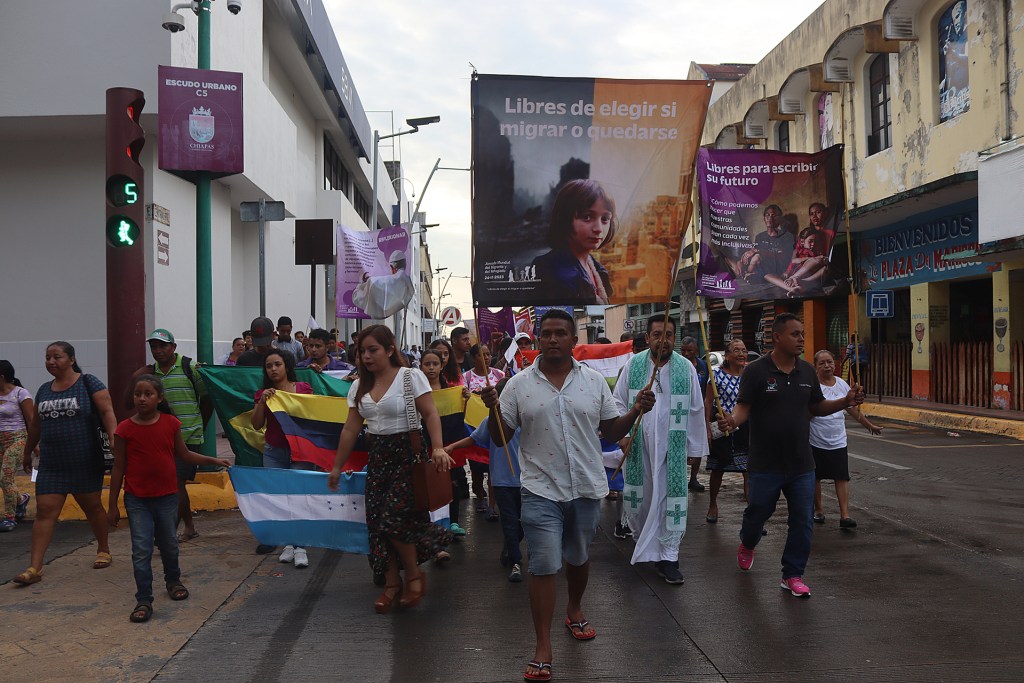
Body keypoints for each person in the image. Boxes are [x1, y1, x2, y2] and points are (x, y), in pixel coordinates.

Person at [480, 308, 654, 682]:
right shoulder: (517, 385)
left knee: (578, 557)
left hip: (587, 488)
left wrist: (636, 409)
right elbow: (500, 437)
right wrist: (492, 409)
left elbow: (609, 430)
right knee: (543, 563)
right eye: (547, 333)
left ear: (574, 341)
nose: (553, 339)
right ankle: (542, 646)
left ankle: (574, 608)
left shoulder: (592, 382)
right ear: (539, 339)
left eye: (561, 333)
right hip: (540, 489)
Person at [717, 313, 864, 598]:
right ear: (777, 338)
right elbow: (743, 408)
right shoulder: (756, 371)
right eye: (795, 334)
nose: (801, 339)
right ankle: (748, 543)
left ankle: (792, 574)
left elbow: (817, 406)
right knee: (758, 512)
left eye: (802, 335)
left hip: (801, 463)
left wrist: (845, 402)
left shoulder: (807, 371)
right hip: (765, 463)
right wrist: (732, 422)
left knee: (802, 520)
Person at [328, 325, 454, 614]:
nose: (367, 356)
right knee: (377, 523)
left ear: (389, 349)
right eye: (362, 351)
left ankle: (413, 576)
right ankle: (391, 583)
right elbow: (350, 428)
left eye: (373, 350)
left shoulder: (410, 377)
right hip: (380, 456)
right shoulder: (358, 385)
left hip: (409, 453)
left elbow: (430, 413)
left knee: (393, 518)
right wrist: (336, 467)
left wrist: (437, 447)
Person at [107, 375, 231, 623]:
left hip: (166, 497)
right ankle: (143, 598)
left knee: (169, 544)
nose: (142, 398)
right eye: (137, 394)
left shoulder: (171, 424)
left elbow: (184, 454)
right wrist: (112, 506)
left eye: (148, 394)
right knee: (141, 550)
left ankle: (173, 580)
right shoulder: (124, 429)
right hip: (137, 500)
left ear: (159, 398)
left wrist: (213, 460)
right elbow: (118, 469)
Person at [613, 314, 708, 585]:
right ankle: (648, 546)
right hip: (641, 445)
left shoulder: (685, 368)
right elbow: (618, 402)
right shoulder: (634, 365)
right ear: (648, 338)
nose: (663, 340)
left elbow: (695, 409)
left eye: (668, 335)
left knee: (670, 500)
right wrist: (624, 435)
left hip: (671, 449)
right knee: (642, 501)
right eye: (657, 334)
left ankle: (669, 557)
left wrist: (695, 448)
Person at [13, 342, 116, 586]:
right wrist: (28, 453)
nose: (50, 361)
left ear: (71, 359)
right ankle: (35, 567)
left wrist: (113, 437)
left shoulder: (89, 382)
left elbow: (107, 411)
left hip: (84, 460)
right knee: (45, 512)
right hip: (51, 463)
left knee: (92, 507)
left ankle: (103, 549)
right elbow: (36, 425)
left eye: (56, 357)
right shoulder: (44, 390)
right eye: (47, 357)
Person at [129, 329, 213, 543]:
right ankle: (190, 526)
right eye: (154, 347)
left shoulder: (190, 368)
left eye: (162, 346)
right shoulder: (149, 374)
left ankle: (166, 534)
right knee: (175, 484)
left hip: (188, 435)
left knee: (176, 482)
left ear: (173, 347)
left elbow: (207, 400)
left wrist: (199, 426)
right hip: (160, 437)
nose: (158, 351)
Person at [446, 377, 524, 583]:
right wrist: (453, 447)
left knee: (524, 522)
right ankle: (516, 561)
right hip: (502, 481)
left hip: (528, 481)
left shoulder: (527, 418)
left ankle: (509, 548)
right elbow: (473, 439)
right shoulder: (491, 422)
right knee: (508, 522)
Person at [251, 349, 315, 568]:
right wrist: (262, 402)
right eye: (269, 366)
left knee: (298, 496)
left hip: (301, 451)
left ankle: (301, 546)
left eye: (277, 364)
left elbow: (313, 417)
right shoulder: (262, 394)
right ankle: (289, 543)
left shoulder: (303, 389)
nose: (273, 369)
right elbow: (257, 424)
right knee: (279, 497)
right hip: (274, 451)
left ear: (286, 366)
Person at [809, 350, 881, 529]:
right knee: (815, 477)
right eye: (822, 363)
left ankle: (845, 516)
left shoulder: (841, 384)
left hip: (838, 440)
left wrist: (869, 425)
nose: (827, 366)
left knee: (842, 477)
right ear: (815, 367)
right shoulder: (813, 387)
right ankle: (818, 511)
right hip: (815, 440)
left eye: (830, 362)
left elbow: (853, 409)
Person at [531, 179, 616, 305]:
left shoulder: (597, 268)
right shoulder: (548, 271)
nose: (598, 229)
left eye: (605, 219)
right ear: (564, 219)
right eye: (587, 217)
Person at [420, 348, 468, 539]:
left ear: (442, 366)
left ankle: (453, 520)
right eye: (427, 364)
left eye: (435, 364)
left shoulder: (452, 391)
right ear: (420, 366)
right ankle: (431, 522)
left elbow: (462, 416)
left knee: (453, 481)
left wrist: (465, 400)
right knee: (430, 483)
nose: (431, 368)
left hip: (450, 444)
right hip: (425, 444)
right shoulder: (416, 392)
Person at [704, 339, 751, 524]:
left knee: (749, 470)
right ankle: (712, 505)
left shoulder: (749, 376)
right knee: (718, 469)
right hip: (722, 426)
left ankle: (752, 514)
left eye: (744, 350)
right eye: (736, 350)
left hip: (745, 428)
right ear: (727, 355)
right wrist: (706, 426)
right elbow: (708, 402)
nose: (741, 354)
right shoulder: (715, 375)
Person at [1, 360, 33, 532]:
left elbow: (31, 420)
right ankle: (21, 500)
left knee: (5, 477)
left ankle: (9, 517)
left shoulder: (20, 393)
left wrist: (34, 444)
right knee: (5, 478)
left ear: (2, 377)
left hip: (18, 438)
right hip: (0, 441)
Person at [739, 205, 796, 294]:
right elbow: (755, 252)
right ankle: (751, 275)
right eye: (767, 215)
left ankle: (752, 276)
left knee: (758, 257)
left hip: (778, 268)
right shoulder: (760, 236)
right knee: (754, 258)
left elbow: (785, 256)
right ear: (764, 218)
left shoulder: (787, 236)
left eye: (774, 215)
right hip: (763, 267)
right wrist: (747, 254)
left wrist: (761, 252)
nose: (770, 218)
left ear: (780, 219)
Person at [679, 335, 708, 493]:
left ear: (696, 350)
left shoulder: (703, 366)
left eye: (689, 350)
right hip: (681, 411)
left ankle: (694, 478)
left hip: (699, 410)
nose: (686, 354)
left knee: (697, 445)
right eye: (683, 350)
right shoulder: (677, 365)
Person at [782, 228, 829, 295]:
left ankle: (803, 283)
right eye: (810, 241)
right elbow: (793, 260)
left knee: (825, 268)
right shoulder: (797, 251)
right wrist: (810, 258)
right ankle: (794, 278)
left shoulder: (816, 251)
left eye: (815, 241)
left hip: (809, 278)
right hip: (798, 272)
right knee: (816, 260)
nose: (813, 244)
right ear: (802, 242)